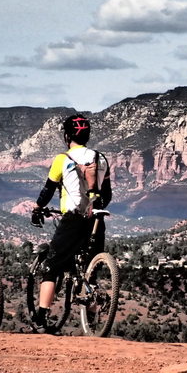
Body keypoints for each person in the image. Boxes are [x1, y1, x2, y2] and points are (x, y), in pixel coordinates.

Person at [30, 114, 112, 333]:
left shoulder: (62, 159)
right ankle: (94, 320)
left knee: (51, 266)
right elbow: (107, 194)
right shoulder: (101, 158)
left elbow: (48, 189)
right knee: (90, 271)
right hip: (96, 218)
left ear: (67, 136)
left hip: (73, 219)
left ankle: (41, 317)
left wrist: (38, 208)